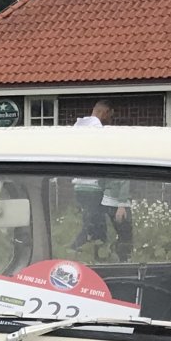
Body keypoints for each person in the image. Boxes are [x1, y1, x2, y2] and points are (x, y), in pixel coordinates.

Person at [70, 101, 115, 251]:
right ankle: (76, 249)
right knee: (96, 223)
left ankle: (92, 250)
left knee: (91, 220)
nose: (110, 120)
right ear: (104, 112)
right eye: (110, 116)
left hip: (79, 185)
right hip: (93, 185)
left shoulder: (79, 127)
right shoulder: (96, 128)